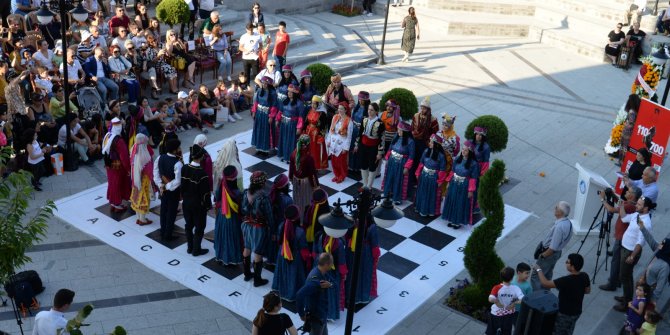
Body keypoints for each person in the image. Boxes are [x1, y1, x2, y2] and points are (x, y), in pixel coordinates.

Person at [615, 197, 655, 312]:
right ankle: (626, 297)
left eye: (639, 204)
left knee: (625, 276)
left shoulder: (645, 223)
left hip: (630, 252)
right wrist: (622, 206)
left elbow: (641, 242)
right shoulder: (637, 214)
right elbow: (624, 218)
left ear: (646, 208)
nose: (636, 205)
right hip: (626, 248)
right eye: (637, 203)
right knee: (627, 275)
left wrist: (632, 256)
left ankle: (626, 303)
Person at [534, 253, 591, 335]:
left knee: (558, 331)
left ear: (572, 266)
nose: (565, 263)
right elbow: (587, 291)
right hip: (577, 312)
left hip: (565, 313)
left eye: (567, 262)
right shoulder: (584, 276)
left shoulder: (566, 280)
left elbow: (545, 283)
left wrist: (538, 269)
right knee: (569, 330)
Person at [598, 186, 642, 292]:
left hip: (622, 237)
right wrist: (613, 195)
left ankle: (612, 283)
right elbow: (621, 203)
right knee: (617, 260)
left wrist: (603, 199)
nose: (626, 192)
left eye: (628, 191)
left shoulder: (629, 206)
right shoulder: (631, 204)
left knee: (615, 260)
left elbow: (611, 209)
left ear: (633, 195)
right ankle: (617, 280)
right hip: (622, 236)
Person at [530, 201, 573, 290]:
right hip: (556, 253)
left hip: (549, 254)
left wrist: (542, 256)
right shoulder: (568, 223)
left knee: (537, 275)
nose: (554, 208)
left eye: (556, 207)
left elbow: (552, 248)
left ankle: (538, 298)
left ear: (560, 212)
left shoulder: (559, 227)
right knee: (547, 274)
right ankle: (546, 294)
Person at [242, 171, 274, 287]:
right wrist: (272, 229)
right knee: (258, 252)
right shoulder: (264, 197)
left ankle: (246, 274)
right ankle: (257, 279)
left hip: (246, 225)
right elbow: (269, 215)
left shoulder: (245, 193)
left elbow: (242, 209)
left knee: (247, 247)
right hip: (258, 228)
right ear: (263, 183)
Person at [272, 204, 308, 302]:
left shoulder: (281, 226)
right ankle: (290, 294)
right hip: (294, 257)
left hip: (282, 253)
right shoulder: (300, 232)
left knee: (283, 272)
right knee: (293, 274)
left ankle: (281, 290)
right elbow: (303, 247)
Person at [181, 144, 212, 256]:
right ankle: (196, 249)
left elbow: (182, 186)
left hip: (186, 203)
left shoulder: (184, 168)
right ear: (202, 156)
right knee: (199, 227)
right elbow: (205, 194)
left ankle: (190, 247)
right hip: (198, 205)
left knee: (188, 225)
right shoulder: (202, 174)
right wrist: (208, 206)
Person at [442, 140, 479, 228]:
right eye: (463, 149)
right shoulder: (457, 159)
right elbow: (452, 171)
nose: (463, 151)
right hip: (454, 183)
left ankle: (457, 221)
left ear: (470, 152)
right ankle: (451, 219)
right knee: (452, 200)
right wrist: (448, 183)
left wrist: (471, 190)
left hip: (464, 185)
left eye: (466, 150)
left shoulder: (473, 164)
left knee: (460, 202)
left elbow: (473, 178)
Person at [345, 213, 380, 305]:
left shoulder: (352, 223)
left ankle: (353, 297)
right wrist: (376, 258)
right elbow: (375, 245)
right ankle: (362, 297)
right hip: (364, 254)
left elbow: (346, 237)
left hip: (355, 253)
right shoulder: (372, 227)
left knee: (355, 275)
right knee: (363, 275)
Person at [296, 252, 334, 335]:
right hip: (316, 318)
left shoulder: (322, 272)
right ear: (327, 264)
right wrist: (301, 314)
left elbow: (334, 283)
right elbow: (299, 294)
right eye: (331, 263)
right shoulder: (314, 281)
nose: (332, 264)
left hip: (322, 316)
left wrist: (330, 284)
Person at [154, 138, 183, 241]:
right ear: (175, 150)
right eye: (178, 147)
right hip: (172, 191)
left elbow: (156, 173)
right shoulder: (178, 164)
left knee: (163, 210)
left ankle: (163, 231)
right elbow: (178, 181)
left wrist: (160, 185)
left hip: (163, 189)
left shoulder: (160, 157)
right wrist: (166, 186)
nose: (180, 149)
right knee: (171, 212)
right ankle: (168, 235)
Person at [213, 165, 243, 265]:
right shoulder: (236, 193)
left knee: (222, 236)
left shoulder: (220, 186)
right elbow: (241, 208)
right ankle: (231, 259)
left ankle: (221, 256)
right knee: (232, 238)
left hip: (221, 216)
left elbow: (216, 198)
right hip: (232, 218)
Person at [414, 134, 447, 217]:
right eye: (430, 141)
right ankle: (420, 208)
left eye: (432, 142)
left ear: (436, 144)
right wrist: (418, 172)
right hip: (424, 175)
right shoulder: (426, 151)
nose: (429, 143)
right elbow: (421, 162)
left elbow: (442, 169)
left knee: (431, 194)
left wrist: (440, 181)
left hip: (433, 178)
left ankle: (429, 211)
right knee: (422, 192)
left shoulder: (441, 156)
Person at [102, 117, 131, 212]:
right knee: (118, 183)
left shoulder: (107, 135)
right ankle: (117, 204)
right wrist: (128, 169)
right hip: (118, 166)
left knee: (112, 183)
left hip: (109, 164)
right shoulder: (119, 141)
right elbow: (124, 157)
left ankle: (113, 202)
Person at [382, 121, 414, 205]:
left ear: (405, 132)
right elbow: (390, 148)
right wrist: (387, 157)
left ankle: (397, 198)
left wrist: (406, 167)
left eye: (400, 130)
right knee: (390, 178)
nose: (398, 131)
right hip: (392, 161)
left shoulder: (410, 142)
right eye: (398, 130)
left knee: (398, 180)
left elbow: (411, 156)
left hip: (401, 164)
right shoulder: (396, 137)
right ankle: (387, 195)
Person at [637, 220, 670, 304]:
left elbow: (660, 285)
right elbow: (652, 242)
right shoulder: (659, 252)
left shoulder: (665, 266)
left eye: (663, 243)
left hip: (648, 293)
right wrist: (642, 228)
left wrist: (653, 300)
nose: (661, 243)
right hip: (642, 287)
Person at [485, 267, 523, 335]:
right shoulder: (516, 288)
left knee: (491, 332)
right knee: (506, 332)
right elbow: (523, 300)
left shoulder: (496, 288)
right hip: (508, 314)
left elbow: (490, 299)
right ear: (511, 278)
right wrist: (514, 303)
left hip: (496, 313)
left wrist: (497, 302)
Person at [410, 97, 439, 186]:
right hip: (415, 141)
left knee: (421, 161)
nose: (422, 109)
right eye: (421, 107)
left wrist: (429, 141)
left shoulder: (433, 119)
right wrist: (414, 134)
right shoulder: (416, 115)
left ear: (428, 109)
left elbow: (435, 133)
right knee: (413, 159)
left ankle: (418, 179)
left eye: (424, 108)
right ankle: (411, 179)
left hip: (425, 143)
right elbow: (412, 127)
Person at [355, 102, 384, 189]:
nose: (369, 112)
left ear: (376, 111)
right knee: (363, 164)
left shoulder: (380, 123)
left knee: (372, 166)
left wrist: (380, 152)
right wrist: (356, 144)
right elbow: (360, 134)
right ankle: (364, 184)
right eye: (368, 109)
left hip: (373, 147)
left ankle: (369, 186)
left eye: (372, 110)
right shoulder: (364, 120)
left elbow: (381, 139)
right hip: (363, 146)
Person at [290, 135, 320, 215]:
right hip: (305, 183)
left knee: (296, 199)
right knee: (306, 201)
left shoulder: (293, 153)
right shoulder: (309, 158)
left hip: (295, 180)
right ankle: (304, 220)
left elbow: (291, 169)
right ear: (307, 145)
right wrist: (315, 186)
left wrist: (291, 178)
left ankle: (296, 216)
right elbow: (312, 174)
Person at [267, 174, 294, 266]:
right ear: (284, 186)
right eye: (287, 183)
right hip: (282, 226)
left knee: (272, 243)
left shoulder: (271, 195)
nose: (289, 185)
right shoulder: (288, 200)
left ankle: (270, 259)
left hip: (272, 225)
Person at [130, 133, 154, 226]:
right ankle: (143, 220)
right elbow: (149, 170)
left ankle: (138, 218)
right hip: (144, 180)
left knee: (137, 197)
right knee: (144, 198)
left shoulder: (133, 148)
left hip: (135, 179)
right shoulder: (144, 155)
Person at [327, 102, 353, 183]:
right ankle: (336, 174)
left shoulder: (349, 121)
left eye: (341, 109)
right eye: (339, 108)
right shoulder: (335, 117)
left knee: (341, 161)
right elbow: (330, 130)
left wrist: (346, 148)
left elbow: (349, 136)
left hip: (342, 142)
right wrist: (328, 140)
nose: (339, 110)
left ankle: (342, 175)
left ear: (345, 110)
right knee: (334, 160)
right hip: (333, 142)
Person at [251, 76, 279, 154]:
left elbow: (274, 106)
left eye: (266, 83)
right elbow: (256, 102)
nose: (264, 84)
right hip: (259, 113)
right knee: (258, 129)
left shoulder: (273, 93)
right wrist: (254, 112)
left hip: (266, 114)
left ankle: (265, 149)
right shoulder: (260, 91)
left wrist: (271, 116)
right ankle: (258, 148)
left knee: (265, 131)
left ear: (269, 84)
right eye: (263, 83)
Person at [277, 84, 303, 163]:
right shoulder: (285, 101)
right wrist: (277, 120)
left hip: (292, 125)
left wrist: (299, 128)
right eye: (288, 92)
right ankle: (284, 155)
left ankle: (291, 158)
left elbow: (301, 117)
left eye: (291, 92)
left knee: (291, 141)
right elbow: (280, 111)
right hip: (284, 124)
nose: (289, 93)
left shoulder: (299, 103)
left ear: (295, 93)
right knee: (284, 139)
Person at [302, 96, 328, 170]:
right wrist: (303, 130)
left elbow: (324, 126)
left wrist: (321, 136)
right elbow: (306, 121)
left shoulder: (322, 114)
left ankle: (317, 166)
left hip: (316, 135)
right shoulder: (310, 110)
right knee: (308, 149)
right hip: (308, 133)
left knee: (316, 151)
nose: (312, 105)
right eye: (312, 103)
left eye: (314, 104)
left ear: (318, 104)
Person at [349, 91, 369, 177]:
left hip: (361, 132)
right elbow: (352, 118)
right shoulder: (356, 108)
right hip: (353, 130)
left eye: (363, 100)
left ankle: (358, 168)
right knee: (352, 148)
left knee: (359, 149)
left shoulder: (368, 110)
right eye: (360, 99)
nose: (361, 101)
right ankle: (351, 167)